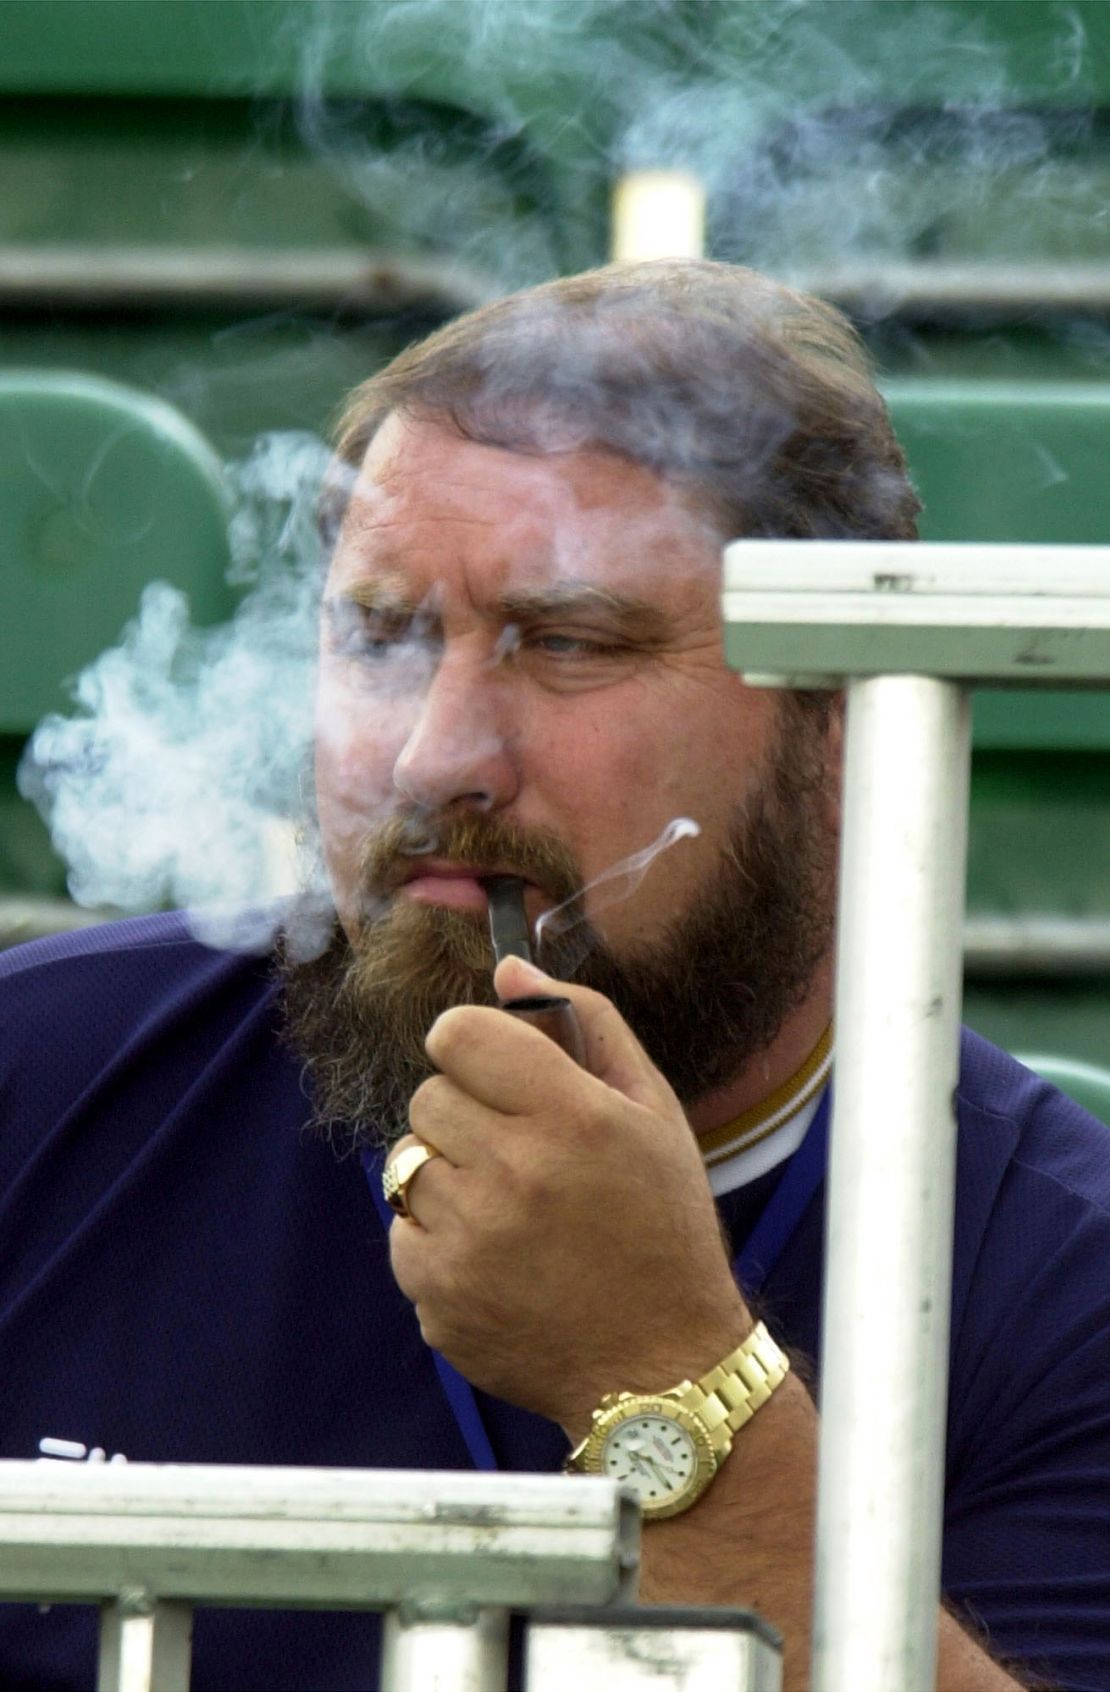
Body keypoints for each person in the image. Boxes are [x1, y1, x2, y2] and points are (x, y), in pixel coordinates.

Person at [1, 260, 1108, 1692]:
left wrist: (666, 1380)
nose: (433, 756)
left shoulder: (1055, 1282)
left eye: (568, 643)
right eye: (382, 635)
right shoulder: (39, 1086)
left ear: (833, 726)